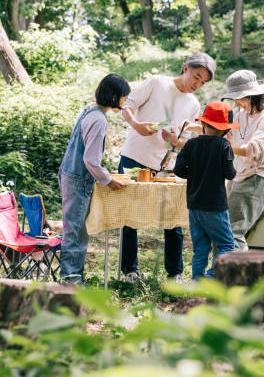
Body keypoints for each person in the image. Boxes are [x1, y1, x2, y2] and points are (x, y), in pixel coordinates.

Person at [118, 52, 216, 283]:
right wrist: (136, 125)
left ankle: (175, 274)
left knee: (173, 219)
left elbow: (183, 141)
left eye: (203, 82)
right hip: (134, 157)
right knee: (130, 217)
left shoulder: (193, 104)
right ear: (185, 68)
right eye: (196, 77)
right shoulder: (157, 82)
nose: (197, 84)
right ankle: (129, 271)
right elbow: (127, 106)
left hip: (167, 165)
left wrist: (176, 141)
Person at [59, 73, 131, 284]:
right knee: (75, 232)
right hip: (78, 179)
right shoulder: (99, 119)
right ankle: (71, 281)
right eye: (124, 99)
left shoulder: (88, 110)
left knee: (74, 228)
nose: (125, 103)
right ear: (114, 96)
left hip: (69, 173)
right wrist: (108, 180)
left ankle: (73, 276)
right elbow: (91, 159)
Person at [173, 102, 237, 279]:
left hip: (194, 204)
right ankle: (210, 278)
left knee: (200, 248)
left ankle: (196, 282)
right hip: (215, 205)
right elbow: (230, 174)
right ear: (225, 129)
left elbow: (178, 170)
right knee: (227, 245)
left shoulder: (190, 144)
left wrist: (194, 174)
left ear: (203, 124)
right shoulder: (224, 146)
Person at [221, 69, 264, 251]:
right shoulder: (241, 114)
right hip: (239, 174)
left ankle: (238, 276)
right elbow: (224, 131)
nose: (236, 102)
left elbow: (258, 150)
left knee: (233, 232)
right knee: (223, 230)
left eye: (239, 97)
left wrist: (225, 148)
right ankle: (220, 273)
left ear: (251, 95)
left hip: (256, 177)